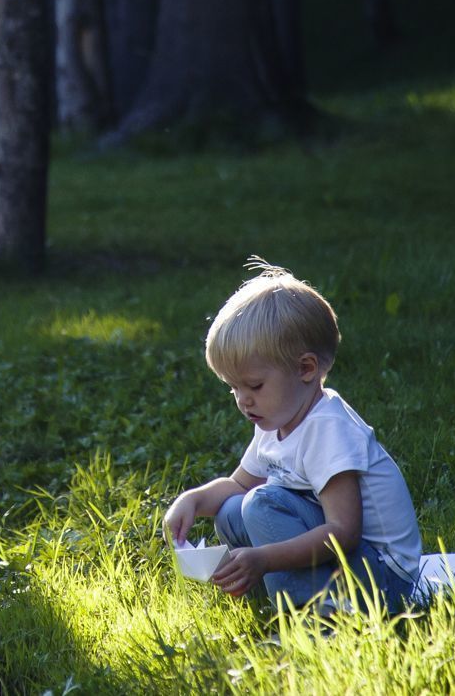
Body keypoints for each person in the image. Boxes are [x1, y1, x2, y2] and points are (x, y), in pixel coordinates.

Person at [164, 261, 422, 613]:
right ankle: (269, 595)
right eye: (233, 388)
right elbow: (239, 484)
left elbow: (344, 532)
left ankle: (314, 619)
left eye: (254, 385)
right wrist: (193, 501)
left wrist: (265, 558)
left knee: (261, 503)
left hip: (383, 580)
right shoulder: (277, 420)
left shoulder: (328, 430)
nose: (243, 399)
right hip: (349, 566)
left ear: (305, 369)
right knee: (230, 512)